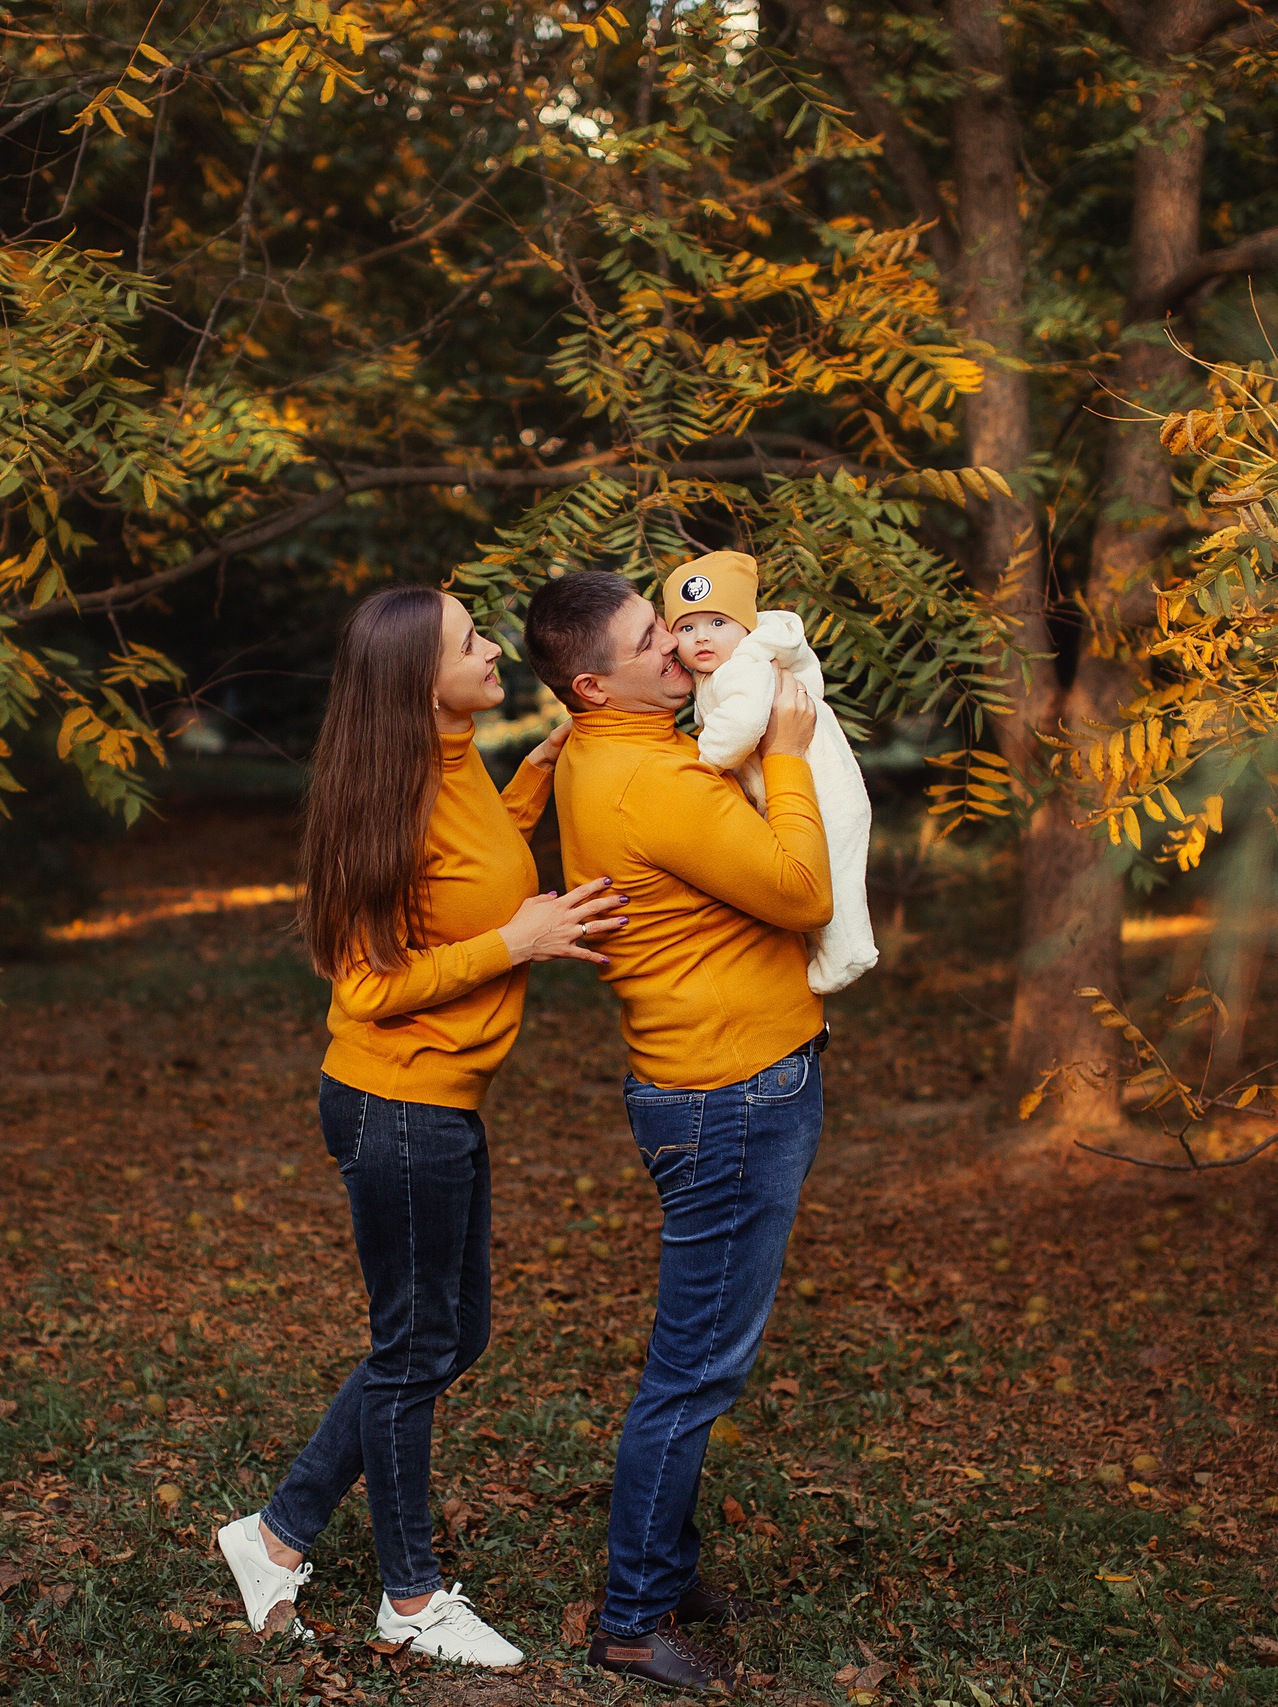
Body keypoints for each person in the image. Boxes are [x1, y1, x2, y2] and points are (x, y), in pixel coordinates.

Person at [214, 585, 627, 1668]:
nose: (493, 649)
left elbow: (473, 874)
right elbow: (366, 988)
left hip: (438, 1101)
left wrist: (534, 782)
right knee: (412, 1351)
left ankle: (274, 1533)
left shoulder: (456, 763)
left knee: (453, 1336)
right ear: (416, 680)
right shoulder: (387, 797)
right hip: (396, 1102)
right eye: (469, 643)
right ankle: (410, 1601)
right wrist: (519, 942)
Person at [521, 567, 832, 1693]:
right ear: (593, 684)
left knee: (696, 1358)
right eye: (652, 640)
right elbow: (801, 891)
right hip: (729, 1095)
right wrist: (789, 758)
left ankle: (668, 1561)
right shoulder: (657, 783)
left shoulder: (611, 750)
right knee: (694, 1370)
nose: (677, 648)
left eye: (669, 628)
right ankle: (631, 1616)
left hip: (707, 1083)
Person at [662, 550, 877, 994]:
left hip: (824, 791)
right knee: (808, 877)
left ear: (747, 627)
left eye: (718, 623)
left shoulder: (744, 666)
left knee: (834, 872)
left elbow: (742, 725)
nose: (703, 637)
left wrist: (701, 764)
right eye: (687, 628)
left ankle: (848, 954)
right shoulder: (720, 669)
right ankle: (826, 956)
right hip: (791, 787)